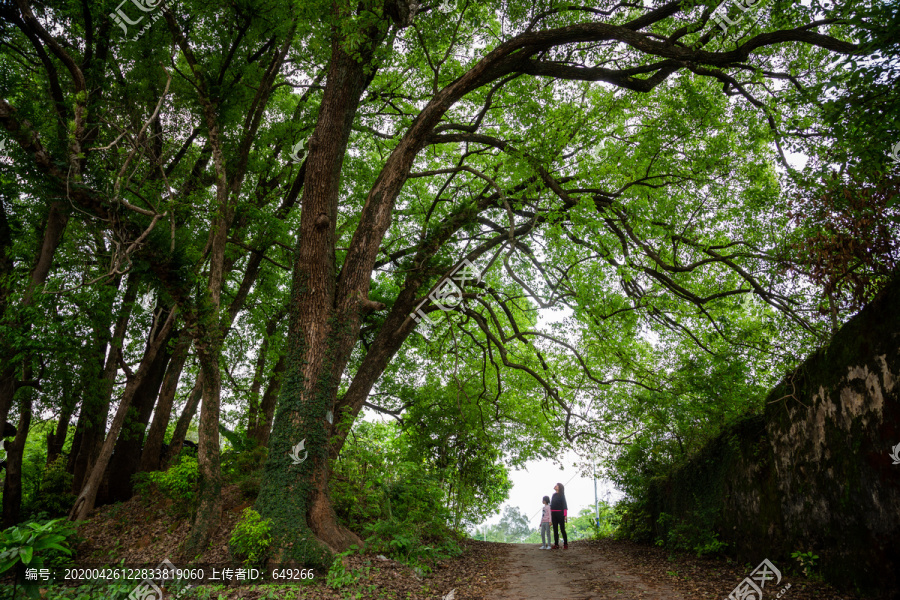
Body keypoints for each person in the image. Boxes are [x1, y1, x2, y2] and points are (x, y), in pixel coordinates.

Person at [550, 482, 568, 549]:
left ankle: (565, 544)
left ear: (559, 487)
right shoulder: (554, 495)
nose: (555, 486)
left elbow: (564, 505)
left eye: (556, 485)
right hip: (553, 514)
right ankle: (556, 544)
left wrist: (565, 515)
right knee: (555, 529)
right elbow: (551, 505)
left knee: (562, 529)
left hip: (560, 514)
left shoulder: (562, 495)